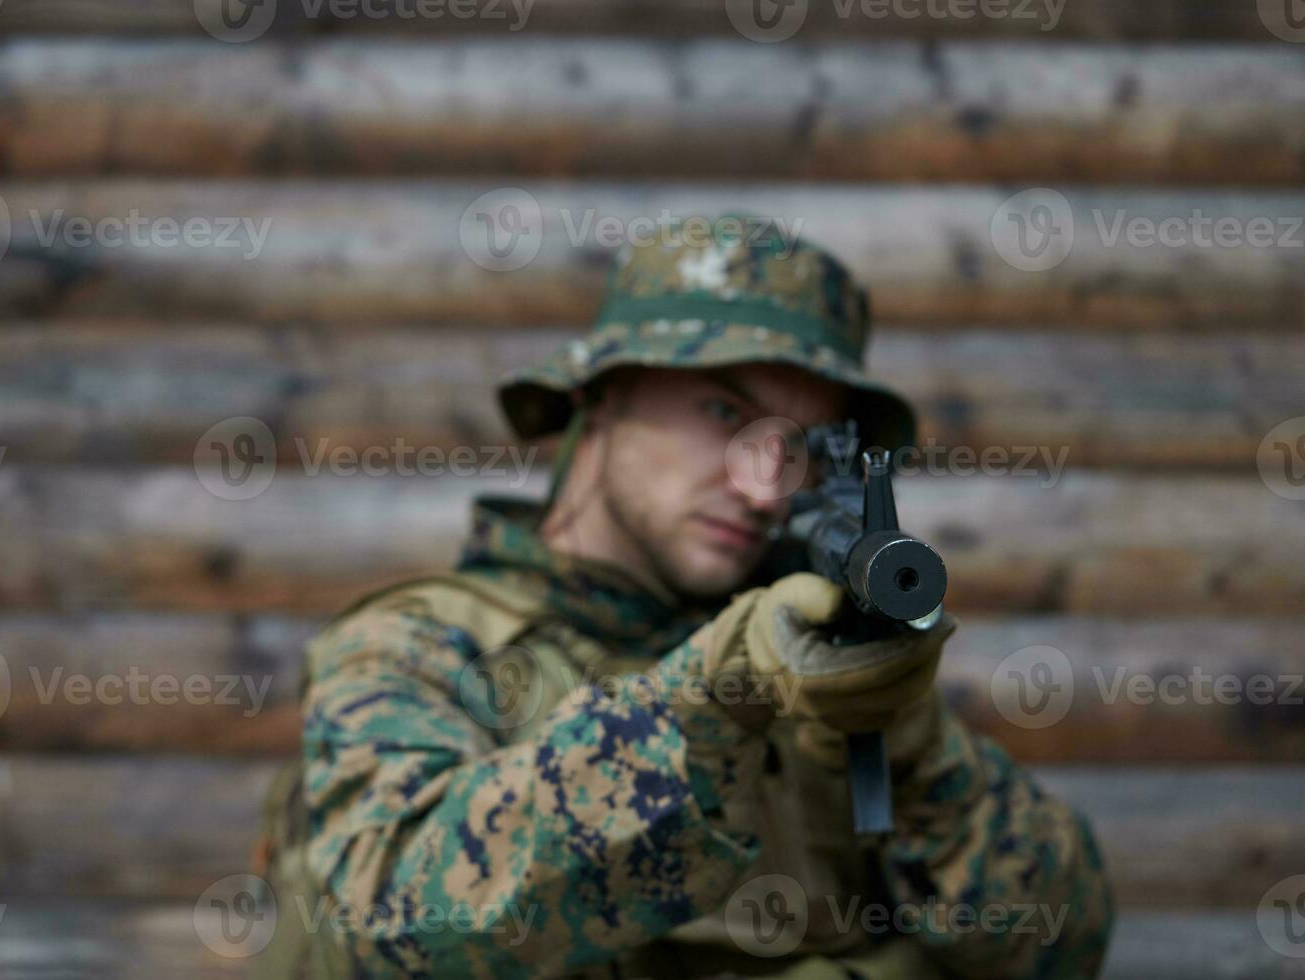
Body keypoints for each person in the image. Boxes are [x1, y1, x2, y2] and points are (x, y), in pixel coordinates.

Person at [256, 216, 1113, 979]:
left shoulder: (815, 663)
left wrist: (918, 749)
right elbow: (383, 926)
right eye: (721, 410)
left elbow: (1063, 944)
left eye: (801, 449)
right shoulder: (421, 647)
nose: (761, 485)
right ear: (602, 397)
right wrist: (712, 700)